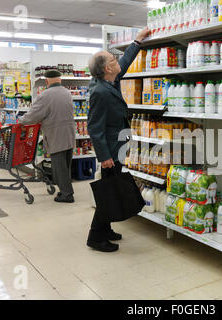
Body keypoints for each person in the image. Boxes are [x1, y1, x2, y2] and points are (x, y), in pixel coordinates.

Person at [86, 27, 150, 252]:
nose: (117, 60)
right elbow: (94, 127)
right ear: (107, 68)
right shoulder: (100, 92)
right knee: (109, 191)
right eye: (114, 59)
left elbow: (127, 61)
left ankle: (105, 230)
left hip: (117, 146)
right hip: (111, 151)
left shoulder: (109, 81)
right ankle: (95, 236)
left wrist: (138, 41)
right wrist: (104, 157)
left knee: (111, 187)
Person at [18, 70, 76, 203]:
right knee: (66, 165)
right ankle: (66, 191)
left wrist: (20, 121)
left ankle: (67, 195)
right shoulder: (66, 92)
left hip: (56, 134)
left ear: (47, 81)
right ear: (59, 80)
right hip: (69, 133)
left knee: (59, 166)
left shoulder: (45, 95)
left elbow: (34, 115)